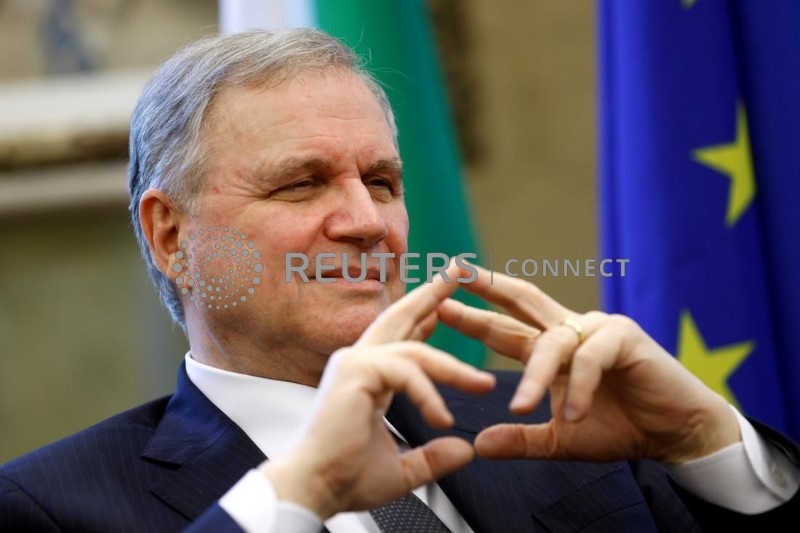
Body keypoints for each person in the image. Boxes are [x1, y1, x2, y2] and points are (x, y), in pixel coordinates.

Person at [0, 28, 797, 532]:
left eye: (381, 182)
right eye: (302, 183)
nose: (367, 222)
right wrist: (300, 491)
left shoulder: (563, 426)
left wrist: (708, 446)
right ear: (171, 236)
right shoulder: (49, 507)